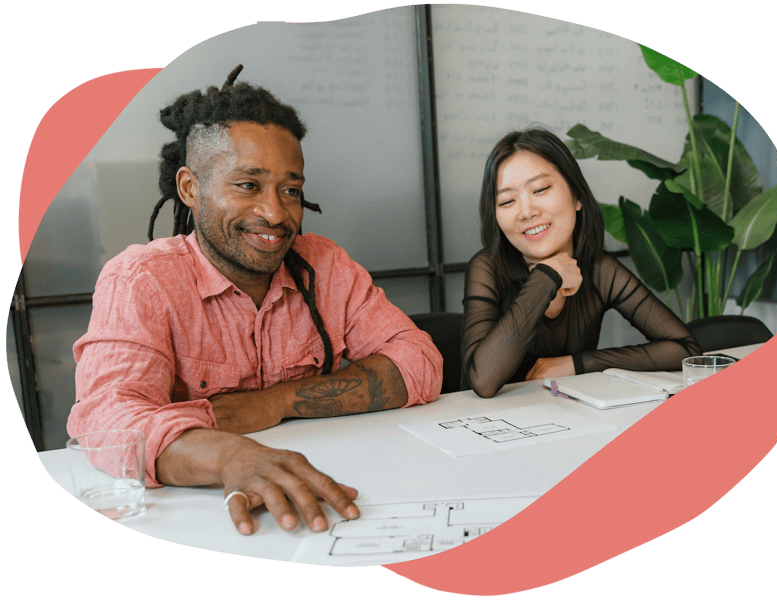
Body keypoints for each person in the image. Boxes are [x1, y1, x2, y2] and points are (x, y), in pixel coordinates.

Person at [68, 65, 442, 535]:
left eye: (291, 190)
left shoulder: (323, 264)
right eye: (248, 185)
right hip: (197, 523)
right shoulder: (141, 279)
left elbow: (419, 362)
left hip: (343, 494)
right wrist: (228, 454)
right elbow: (109, 421)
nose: (275, 213)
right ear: (190, 188)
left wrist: (276, 402)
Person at [461, 128, 700, 398]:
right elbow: (483, 380)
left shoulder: (598, 270)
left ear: (577, 196)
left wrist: (579, 364)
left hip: (571, 420)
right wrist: (547, 277)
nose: (527, 212)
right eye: (506, 201)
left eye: (540, 189)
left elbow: (684, 348)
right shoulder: (487, 268)